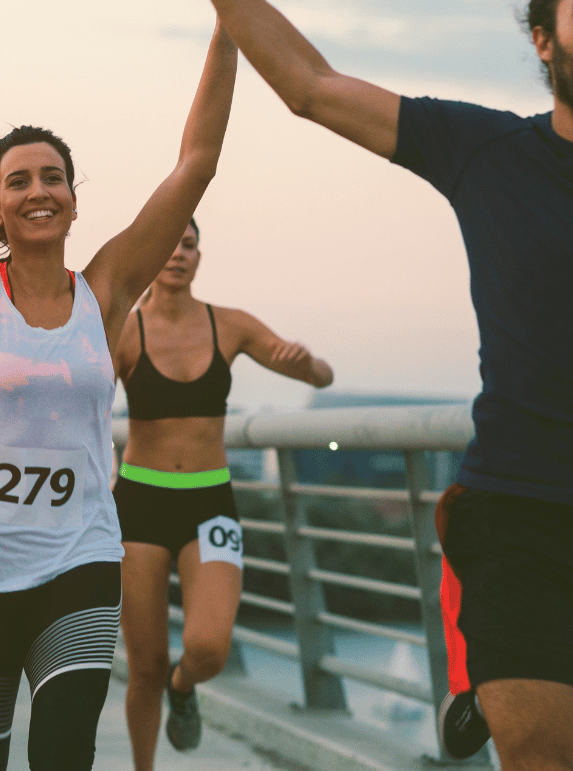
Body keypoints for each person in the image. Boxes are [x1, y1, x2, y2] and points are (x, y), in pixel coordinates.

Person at [191, 0, 573, 769]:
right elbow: (311, 88)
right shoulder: (485, 151)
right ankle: (484, 672)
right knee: (543, 760)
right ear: (543, 39)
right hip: (520, 523)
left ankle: (477, 682)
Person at [0, 0, 271, 767]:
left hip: (77, 558)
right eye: (19, 182)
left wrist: (227, 22)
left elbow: (197, 164)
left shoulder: (104, 293)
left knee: (67, 753)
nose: (39, 190)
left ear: (74, 199)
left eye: (53, 177)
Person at [113, 217, 333, 768]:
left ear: (199, 255)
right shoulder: (125, 331)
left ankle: (184, 688)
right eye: (169, 243)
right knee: (144, 666)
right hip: (139, 501)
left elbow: (322, 379)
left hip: (210, 502)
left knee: (209, 647)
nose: (179, 253)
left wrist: (306, 365)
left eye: (189, 244)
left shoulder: (228, 325)